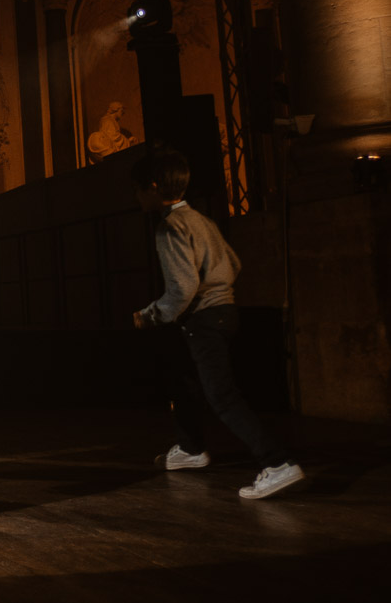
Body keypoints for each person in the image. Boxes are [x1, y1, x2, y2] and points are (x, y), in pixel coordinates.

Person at [130, 148, 305, 499]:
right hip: (224, 312)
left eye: (138, 189)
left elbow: (182, 289)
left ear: (152, 187)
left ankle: (277, 463)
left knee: (221, 396)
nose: (137, 196)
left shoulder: (170, 228)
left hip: (204, 318)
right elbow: (234, 264)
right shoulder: (201, 221)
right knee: (184, 381)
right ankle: (191, 449)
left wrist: (149, 315)